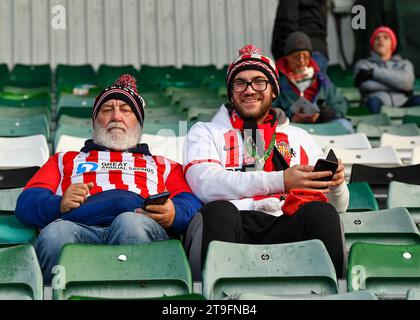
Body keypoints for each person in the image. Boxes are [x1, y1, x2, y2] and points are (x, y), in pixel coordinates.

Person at [15, 75, 202, 284]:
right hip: (77, 228)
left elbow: (191, 202)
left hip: (138, 226)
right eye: (107, 110)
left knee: (129, 223)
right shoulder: (64, 159)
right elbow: (26, 203)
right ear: (95, 122)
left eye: (125, 109)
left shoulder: (164, 164)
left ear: (138, 123)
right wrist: (58, 204)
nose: (116, 116)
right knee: (55, 234)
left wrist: (173, 213)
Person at [183, 45, 349, 281]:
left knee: (322, 213)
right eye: (240, 83)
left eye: (259, 82)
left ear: (273, 91)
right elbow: (206, 185)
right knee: (218, 211)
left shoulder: (299, 137)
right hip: (234, 224)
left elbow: (339, 207)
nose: (249, 90)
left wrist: (336, 186)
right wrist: (281, 180)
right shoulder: (206, 131)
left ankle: (327, 293)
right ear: (231, 93)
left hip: (286, 221)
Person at [273, 31, 353, 133]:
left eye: (305, 56)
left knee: (345, 126)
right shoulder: (278, 82)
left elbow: (340, 103)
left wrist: (328, 114)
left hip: (323, 125)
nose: (301, 61)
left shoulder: (322, 80)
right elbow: (271, 110)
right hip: (293, 126)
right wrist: (291, 116)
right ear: (287, 58)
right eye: (296, 57)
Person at [353, 26, 420, 114]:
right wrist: (399, 86)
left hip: (403, 103)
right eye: (377, 38)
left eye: (386, 37)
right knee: (373, 101)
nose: (381, 40)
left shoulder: (404, 63)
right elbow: (366, 85)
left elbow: (406, 83)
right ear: (372, 44)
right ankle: (375, 126)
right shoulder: (363, 63)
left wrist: (373, 73)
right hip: (377, 103)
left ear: (392, 44)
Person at [271, 0, 329, 74]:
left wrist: (285, 52)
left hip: (296, 52)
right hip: (319, 51)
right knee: (321, 83)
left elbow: (286, 20)